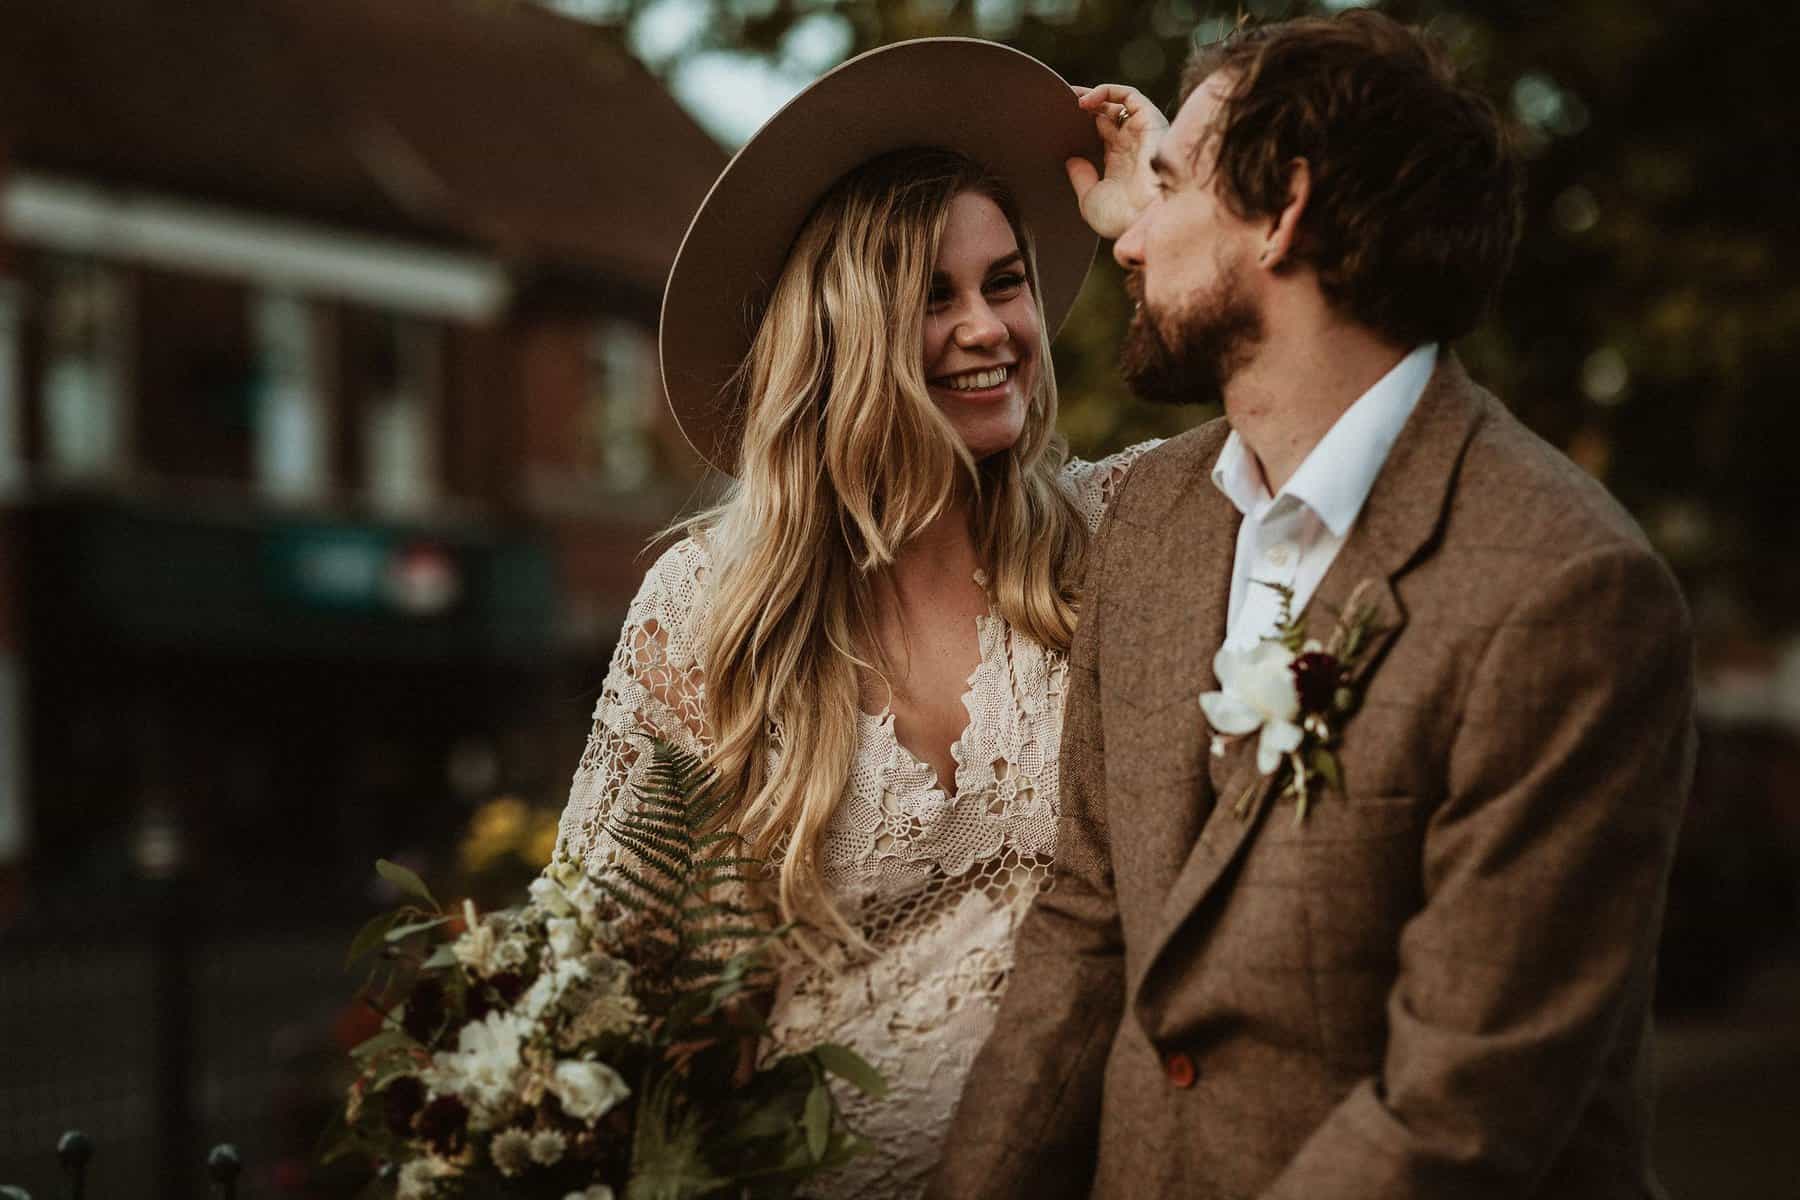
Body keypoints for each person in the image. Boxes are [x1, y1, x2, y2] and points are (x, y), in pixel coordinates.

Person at [933, 11, 1696, 1200]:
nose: (1130, 244)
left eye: (1170, 188)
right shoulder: (1151, 524)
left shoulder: (1564, 590)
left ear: (1283, 210)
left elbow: (1458, 1110)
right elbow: (1082, 940)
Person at [553, 39, 1160, 1199]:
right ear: (841, 328)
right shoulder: (707, 607)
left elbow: (1304, 424)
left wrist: (1154, 217)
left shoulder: (1115, 535)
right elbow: (591, 971)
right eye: (932, 295)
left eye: (1005, 281)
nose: (988, 329)